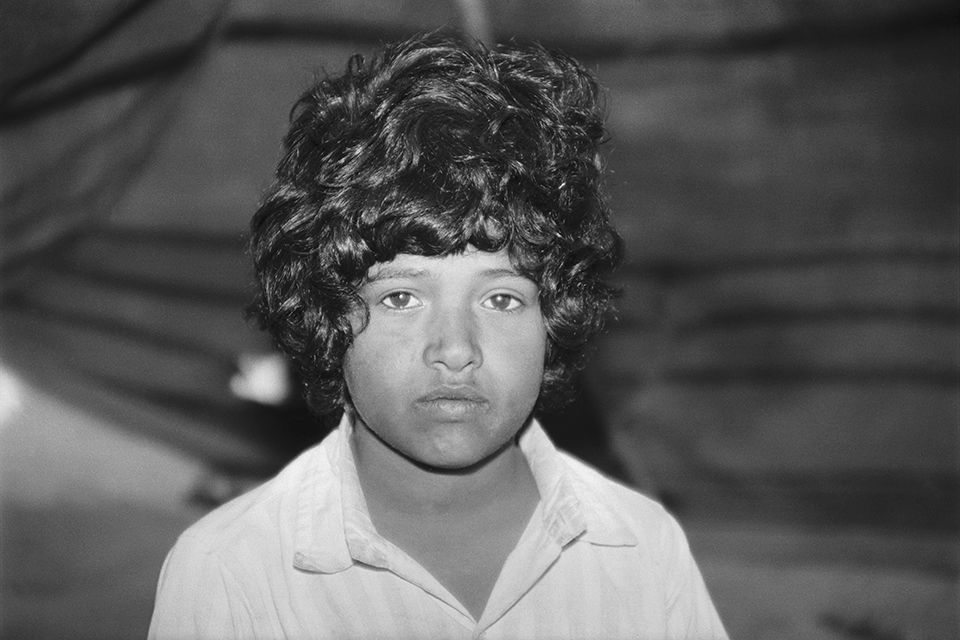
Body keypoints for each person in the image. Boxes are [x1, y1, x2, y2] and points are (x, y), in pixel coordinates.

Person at [148, 32, 728, 639]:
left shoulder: (641, 551)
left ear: (554, 316)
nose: (455, 349)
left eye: (501, 298)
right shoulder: (231, 573)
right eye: (400, 297)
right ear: (327, 317)